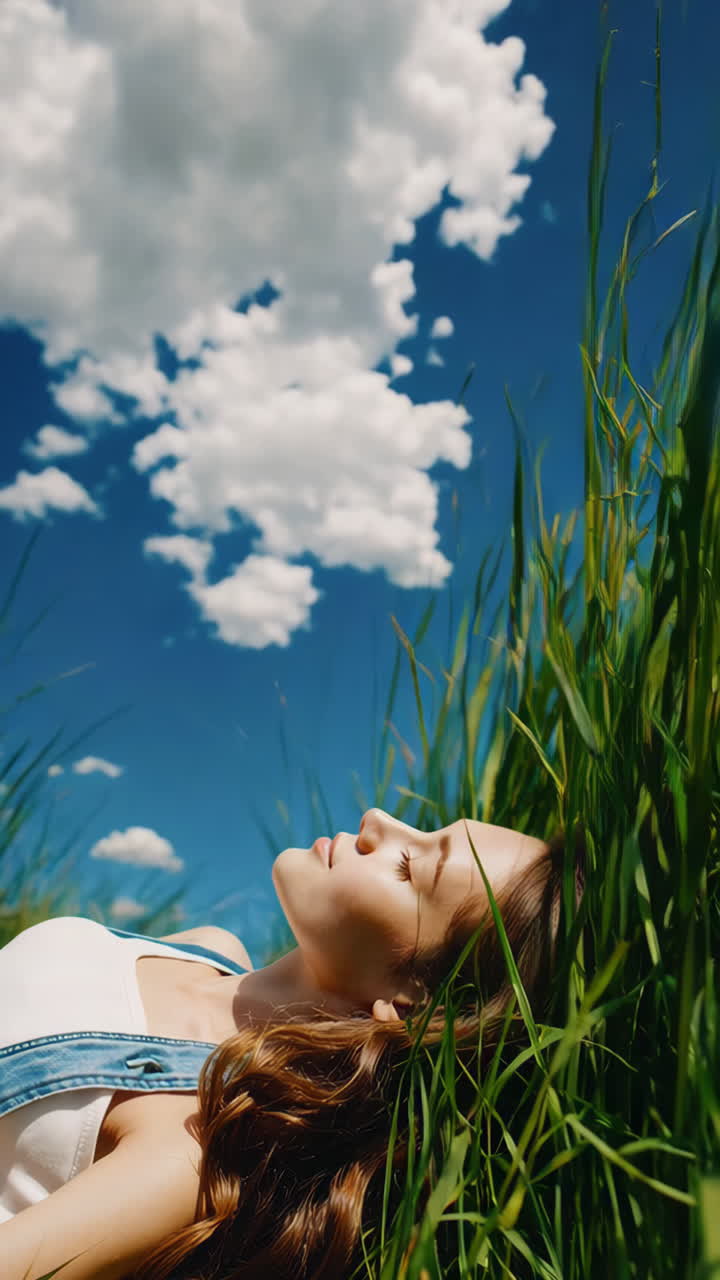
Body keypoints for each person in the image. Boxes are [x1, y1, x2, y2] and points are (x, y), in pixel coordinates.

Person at [0, 807, 584, 1280]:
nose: (377, 821)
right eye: (425, 831)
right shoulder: (207, 946)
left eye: (409, 865)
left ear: (415, 1006)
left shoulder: (188, 1151)